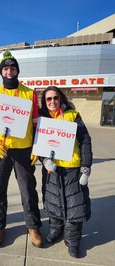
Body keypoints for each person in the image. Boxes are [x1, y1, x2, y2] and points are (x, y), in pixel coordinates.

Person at [0, 51, 42, 248]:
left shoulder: (29, 93)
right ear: (1, 72)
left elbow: (37, 123)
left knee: (28, 190)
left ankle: (33, 226)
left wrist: (38, 145)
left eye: (12, 68)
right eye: (5, 68)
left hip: (24, 150)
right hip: (1, 150)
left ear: (17, 70)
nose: (9, 71)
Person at [38, 86, 93, 258]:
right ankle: (56, 230)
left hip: (72, 168)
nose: (52, 101)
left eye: (55, 98)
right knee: (53, 202)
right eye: (48, 99)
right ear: (44, 102)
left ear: (61, 98)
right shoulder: (41, 118)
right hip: (52, 169)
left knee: (75, 206)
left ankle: (73, 240)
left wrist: (86, 166)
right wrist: (44, 159)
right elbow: (37, 142)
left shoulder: (73, 116)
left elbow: (84, 139)